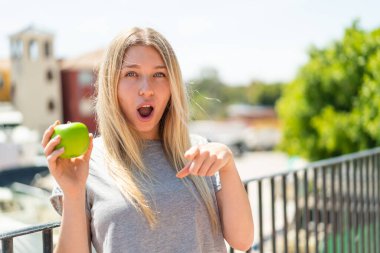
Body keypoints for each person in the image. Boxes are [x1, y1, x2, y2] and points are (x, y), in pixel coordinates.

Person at [41, 27, 254, 253]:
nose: (147, 89)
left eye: (159, 74)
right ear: (111, 86)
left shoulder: (200, 151)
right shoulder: (86, 163)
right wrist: (73, 194)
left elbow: (243, 240)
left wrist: (228, 165)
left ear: (172, 86)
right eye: (131, 74)